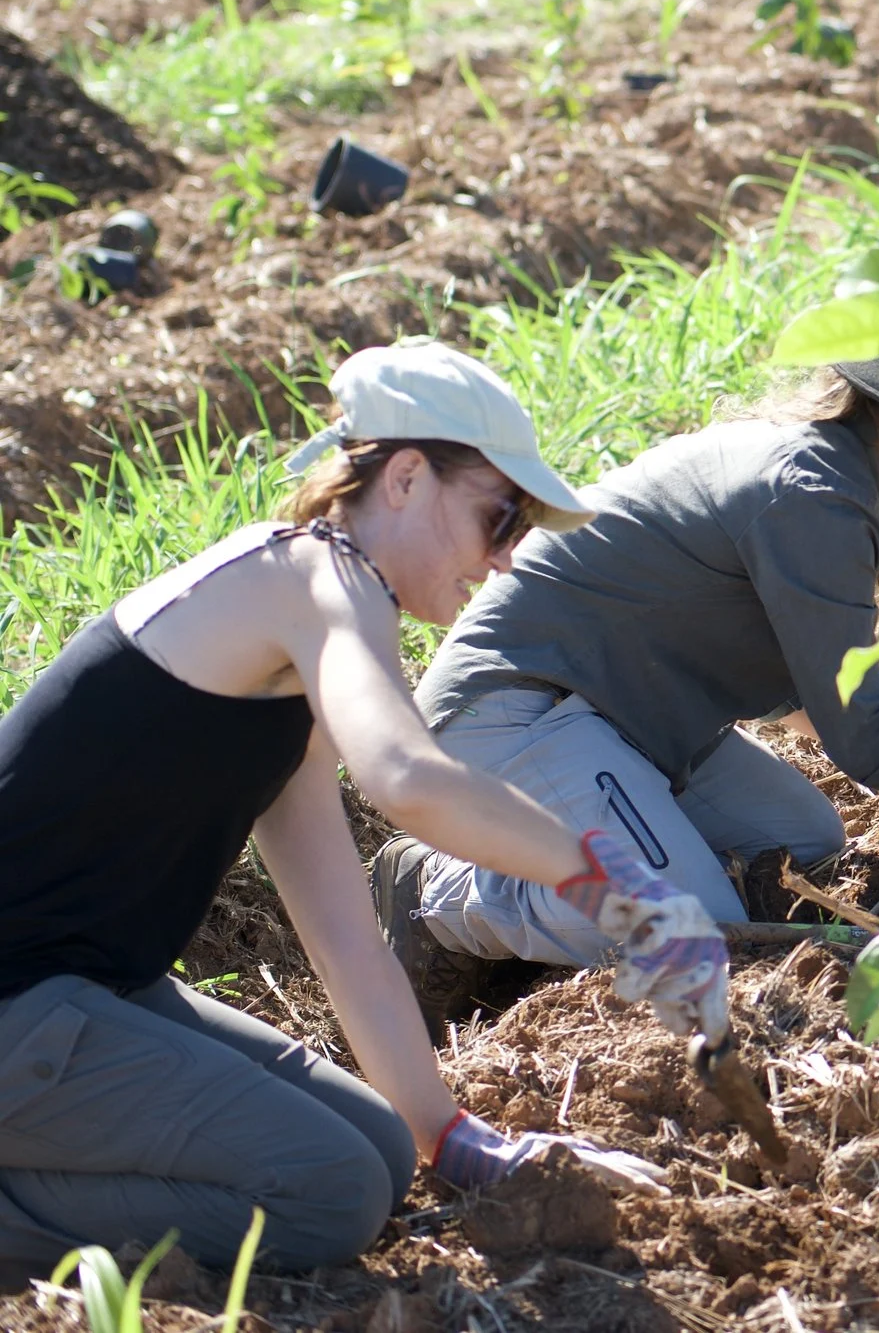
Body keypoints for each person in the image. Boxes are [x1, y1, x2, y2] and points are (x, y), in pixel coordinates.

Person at [0, 339, 726, 1274]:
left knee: (382, 1151)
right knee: (332, 1192)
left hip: (80, 993)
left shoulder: (285, 661)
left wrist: (450, 1136)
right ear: (409, 478)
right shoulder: (318, 577)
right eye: (499, 518)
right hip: (23, 1004)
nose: (503, 560)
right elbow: (409, 778)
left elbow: (345, 939)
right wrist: (611, 882)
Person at [383, 272, 879, 1035]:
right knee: (693, 929)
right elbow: (868, 746)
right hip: (519, 708)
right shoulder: (815, 494)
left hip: (630, 717)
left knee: (804, 840)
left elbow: (809, 695)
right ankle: (440, 893)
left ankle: (593, 877)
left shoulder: (839, 471)